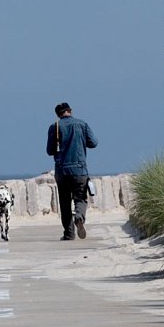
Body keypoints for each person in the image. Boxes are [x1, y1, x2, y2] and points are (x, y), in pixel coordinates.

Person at [46, 102, 98, 240]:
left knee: (64, 202)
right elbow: (93, 142)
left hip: (61, 171)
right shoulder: (82, 124)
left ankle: (69, 234)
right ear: (70, 111)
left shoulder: (54, 127)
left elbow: (50, 151)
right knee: (80, 198)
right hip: (79, 170)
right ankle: (79, 217)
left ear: (58, 114)